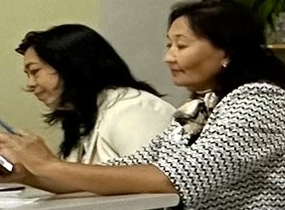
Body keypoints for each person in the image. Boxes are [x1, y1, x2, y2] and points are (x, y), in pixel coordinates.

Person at [0, 0, 285, 210]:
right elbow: (123, 170)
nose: (168, 57)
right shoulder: (200, 107)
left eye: (181, 45)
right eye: (168, 45)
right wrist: (27, 173)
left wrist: (49, 166)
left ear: (227, 51)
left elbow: (172, 179)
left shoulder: (260, 100)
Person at [14, 23, 175, 163]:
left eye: (35, 71)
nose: (30, 84)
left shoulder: (135, 110)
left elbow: (150, 183)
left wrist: (46, 165)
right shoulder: (81, 117)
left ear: (70, 66)